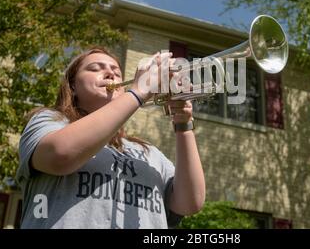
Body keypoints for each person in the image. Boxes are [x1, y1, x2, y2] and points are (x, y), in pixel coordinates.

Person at [15, 47, 206, 228]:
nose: (110, 73)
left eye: (116, 70)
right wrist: (138, 92)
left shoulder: (149, 152)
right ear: (72, 85)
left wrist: (183, 123)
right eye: (95, 68)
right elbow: (60, 154)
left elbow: (190, 203)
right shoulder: (49, 122)